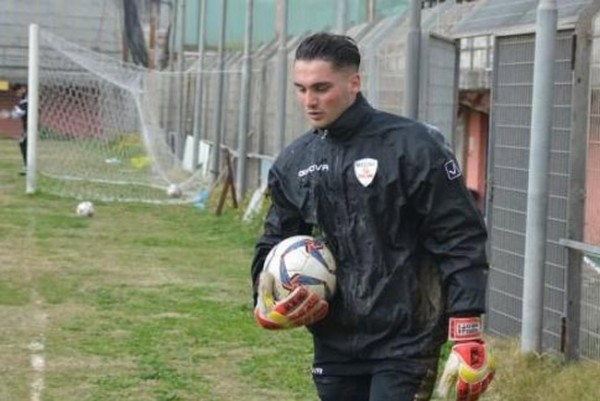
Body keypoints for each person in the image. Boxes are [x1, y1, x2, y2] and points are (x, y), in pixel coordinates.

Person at [250, 32, 495, 401]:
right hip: (334, 341)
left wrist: (467, 328)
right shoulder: (294, 161)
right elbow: (274, 241)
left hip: (406, 341)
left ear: (354, 82)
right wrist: (264, 296)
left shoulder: (414, 147)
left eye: (320, 88)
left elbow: (459, 237)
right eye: (300, 89)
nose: (309, 101)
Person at [0, 83, 28, 175]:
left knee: (23, 143)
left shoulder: (27, 100)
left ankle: (27, 167)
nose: (17, 93)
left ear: (23, 89)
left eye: (18, 90)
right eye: (16, 92)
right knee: (23, 143)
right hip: (28, 126)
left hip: (30, 127)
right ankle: (27, 166)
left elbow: (20, 112)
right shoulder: (24, 100)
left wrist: (8, 114)